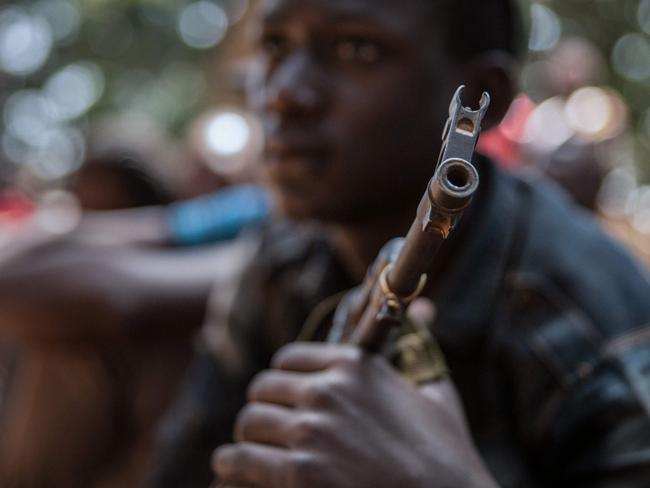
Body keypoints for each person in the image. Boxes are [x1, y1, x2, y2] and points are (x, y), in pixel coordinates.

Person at [145, 0, 650, 487]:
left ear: (479, 94)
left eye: (356, 49)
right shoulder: (285, 250)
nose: (284, 92)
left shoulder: (594, 337)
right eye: (275, 45)